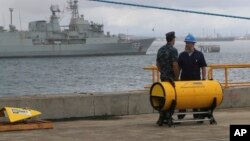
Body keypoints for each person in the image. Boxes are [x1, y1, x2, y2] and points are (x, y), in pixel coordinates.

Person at [177, 33, 207, 119]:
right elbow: (178, 68)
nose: (186, 44)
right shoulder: (182, 55)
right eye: (186, 43)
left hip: (196, 82)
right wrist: (177, 79)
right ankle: (181, 115)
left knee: (196, 99)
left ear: (193, 44)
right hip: (184, 82)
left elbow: (203, 67)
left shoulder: (199, 54)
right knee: (183, 99)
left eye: (188, 43)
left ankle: (197, 115)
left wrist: (204, 79)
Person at [156, 31, 179, 125]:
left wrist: (163, 72)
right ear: (173, 39)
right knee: (173, 98)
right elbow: (175, 65)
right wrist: (177, 77)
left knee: (164, 97)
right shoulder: (173, 50)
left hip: (163, 77)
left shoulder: (160, 50)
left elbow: (158, 65)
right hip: (171, 78)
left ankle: (162, 116)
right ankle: (169, 116)